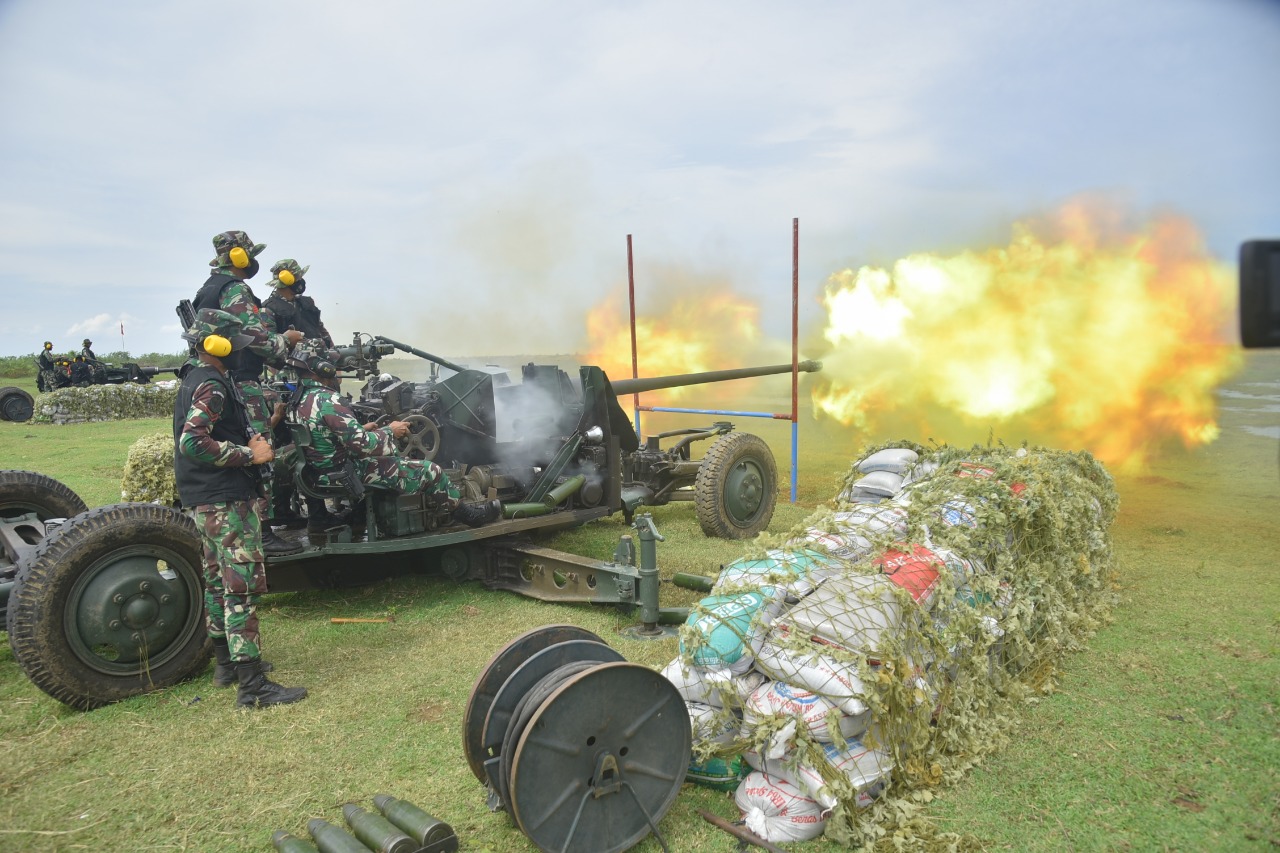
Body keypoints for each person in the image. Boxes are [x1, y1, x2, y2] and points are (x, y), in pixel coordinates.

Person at [173, 307, 307, 708]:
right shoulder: (211, 385)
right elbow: (192, 442)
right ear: (218, 344)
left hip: (204, 499)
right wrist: (249, 456)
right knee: (240, 587)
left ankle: (227, 665)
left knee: (216, 581)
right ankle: (252, 686)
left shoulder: (195, 379)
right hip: (226, 498)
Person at [284, 341, 501, 539]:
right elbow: (366, 446)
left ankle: (356, 518)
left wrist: (362, 428)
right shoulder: (329, 400)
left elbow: (325, 436)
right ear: (323, 369)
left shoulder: (298, 399)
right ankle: (468, 514)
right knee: (430, 471)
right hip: (342, 474)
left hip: (320, 472)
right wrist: (390, 430)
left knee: (393, 459)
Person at [192, 230, 305, 556]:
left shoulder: (208, 288)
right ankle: (263, 533)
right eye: (250, 254)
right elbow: (257, 340)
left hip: (218, 376)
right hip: (241, 382)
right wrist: (287, 340)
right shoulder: (235, 289)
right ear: (241, 257)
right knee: (260, 451)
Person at [262, 259, 334, 346]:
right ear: (288, 280)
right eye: (298, 278)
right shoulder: (268, 309)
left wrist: (333, 352)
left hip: (318, 356)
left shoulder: (306, 304)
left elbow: (323, 333)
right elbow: (268, 345)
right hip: (289, 358)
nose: (300, 281)